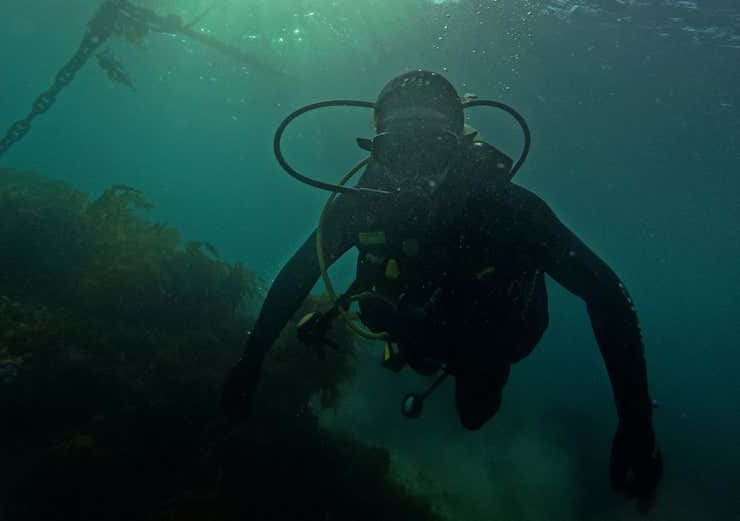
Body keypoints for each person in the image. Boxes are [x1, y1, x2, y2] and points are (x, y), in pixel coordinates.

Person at [222, 70, 662, 500]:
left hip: (487, 340)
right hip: (412, 326)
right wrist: (251, 359)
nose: (414, 172)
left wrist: (636, 418)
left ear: (458, 147)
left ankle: (473, 372)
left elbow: (603, 291)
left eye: (431, 150)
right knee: (415, 354)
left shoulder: (507, 208)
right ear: (377, 152)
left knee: (474, 414)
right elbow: (299, 274)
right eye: (398, 151)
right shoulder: (359, 208)